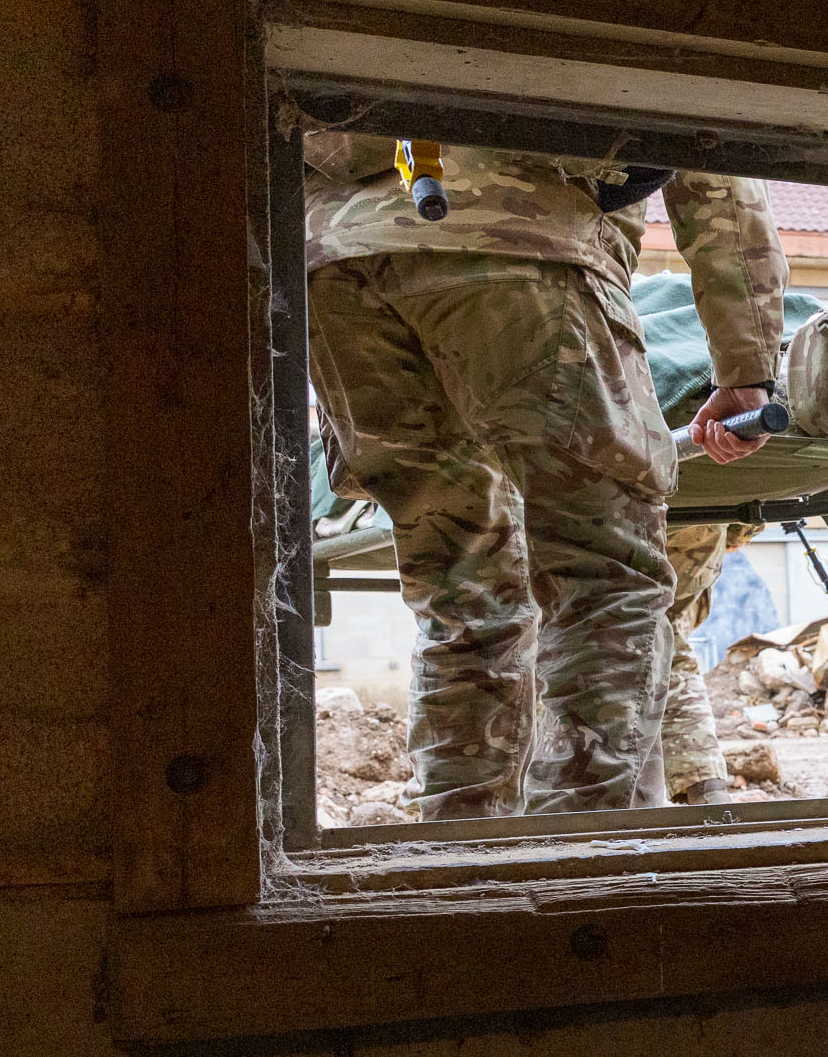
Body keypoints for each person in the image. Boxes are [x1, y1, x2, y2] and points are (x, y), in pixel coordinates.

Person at [302, 140, 787, 819]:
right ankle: (569, 868)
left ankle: (462, 865)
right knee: (604, 576)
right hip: (515, 233)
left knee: (461, 589)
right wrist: (746, 366)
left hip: (335, 264)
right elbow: (710, 157)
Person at [659, 518, 764, 802]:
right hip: (694, 535)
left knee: (661, 651)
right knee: (667, 653)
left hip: (614, 528)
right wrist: (741, 530)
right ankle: (706, 791)